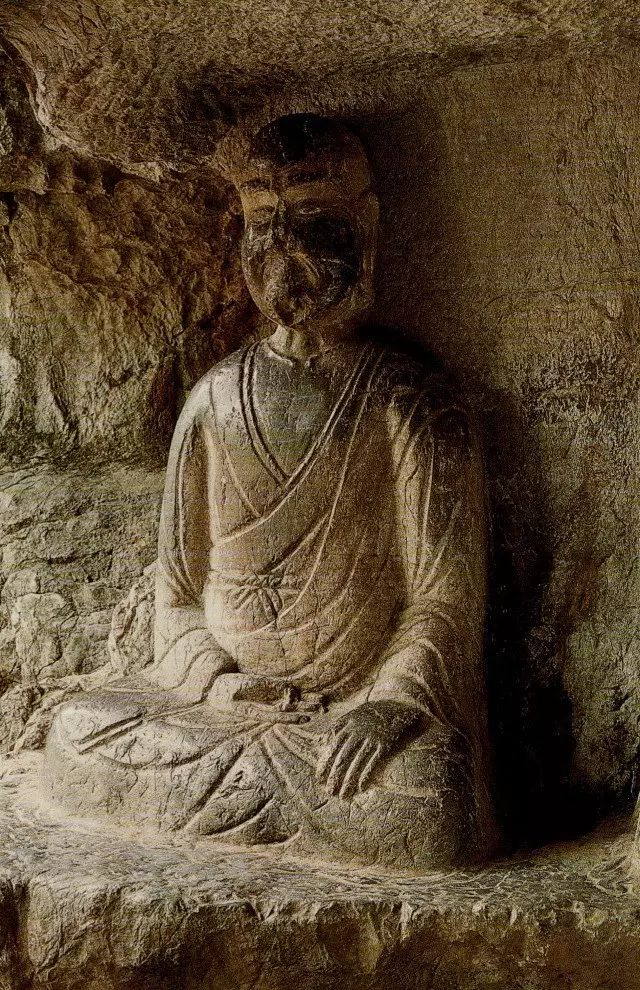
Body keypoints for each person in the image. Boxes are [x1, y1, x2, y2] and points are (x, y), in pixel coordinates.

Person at [44, 114, 498, 870]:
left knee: (431, 788)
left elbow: (444, 597)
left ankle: (273, 792)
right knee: (80, 731)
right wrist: (218, 683)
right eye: (262, 218)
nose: (283, 241)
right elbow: (176, 593)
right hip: (218, 713)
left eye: (314, 216)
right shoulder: (215, 399)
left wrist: (390, 705)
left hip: (348, 715)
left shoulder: (411, 401)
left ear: (366, 227)